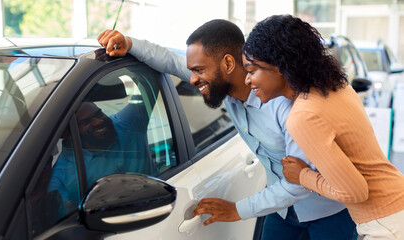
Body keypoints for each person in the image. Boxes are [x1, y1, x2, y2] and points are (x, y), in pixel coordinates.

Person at [98, 20, 357, 240]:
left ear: (228, 63)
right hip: (281, 213)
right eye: (193, 70)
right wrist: (129, 43)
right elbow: (170, 61)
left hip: (327, 214)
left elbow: (302, 182)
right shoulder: (224, 87)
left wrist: (237, 209)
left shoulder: (285, 104)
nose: (192, 79)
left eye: (199, 70)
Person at [242, 14, 404, 239]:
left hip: (383, 222)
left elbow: (355, 191)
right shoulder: (334, 86)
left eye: (251, 71)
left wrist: (302, 176)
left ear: (278, 66)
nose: (247, 81)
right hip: (395, 207)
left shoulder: (303, 115)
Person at [48, 100, 158, 216]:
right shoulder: (60, 178)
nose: (98, 122)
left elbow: (150, 85)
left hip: (159, 206)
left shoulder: (128, 123)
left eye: (99, 114)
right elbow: (66, 223)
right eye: (85, 122)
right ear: (65, 134)